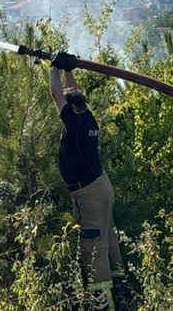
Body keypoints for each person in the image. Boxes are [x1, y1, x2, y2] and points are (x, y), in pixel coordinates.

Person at [49, 52, 126, 311]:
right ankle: (122, 289)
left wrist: (54, 67)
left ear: (70, 108)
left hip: (88, 192)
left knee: (93, 246)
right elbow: (72, 92)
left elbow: (56, 95)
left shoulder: (73, 121)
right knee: (108, 238)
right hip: (102, 185)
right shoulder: (88, 117)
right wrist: (69, 68)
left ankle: (101, 303)